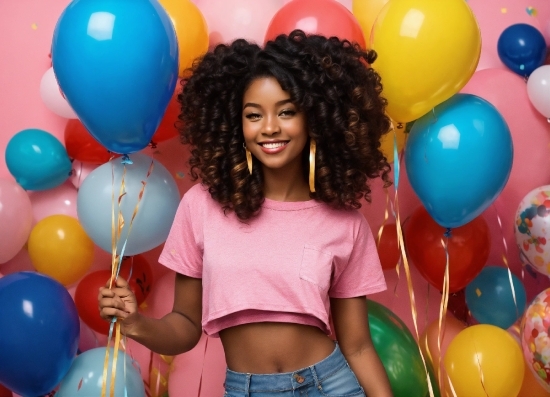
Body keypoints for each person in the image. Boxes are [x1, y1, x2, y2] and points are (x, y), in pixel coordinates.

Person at [99, 30, 393, 397]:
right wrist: (136, 323)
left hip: (330, 385)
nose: (270, 127)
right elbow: (186, 325)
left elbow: (359, 346)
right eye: (254, 115)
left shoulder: (345, 223)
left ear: (315, 118)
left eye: (286, 111)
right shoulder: (202, 207)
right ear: (236, 125)